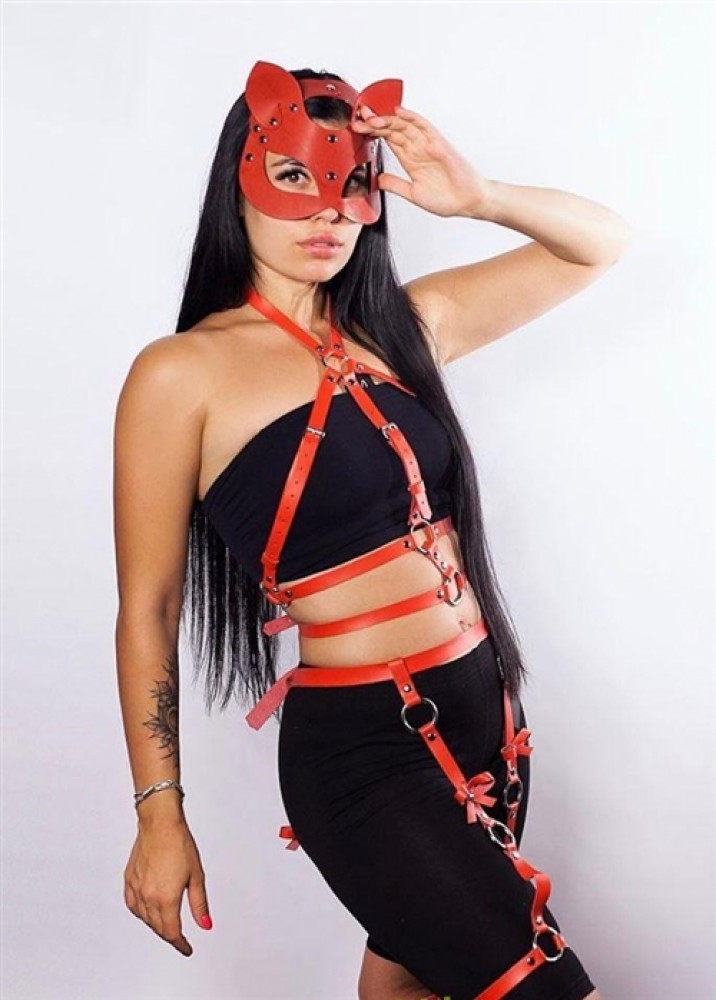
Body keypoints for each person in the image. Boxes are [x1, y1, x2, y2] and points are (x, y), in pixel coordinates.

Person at [114, 59, 630, 1000]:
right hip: (364, 753)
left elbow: (598, 244)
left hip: (485, 720)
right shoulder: (180, 374)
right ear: (240, 182)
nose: (327, 209)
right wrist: (159, 814)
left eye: (352, 182)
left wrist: (478, 196)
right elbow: (148, 608)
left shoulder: (405, 327)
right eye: (295, 175)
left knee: (406, 989)